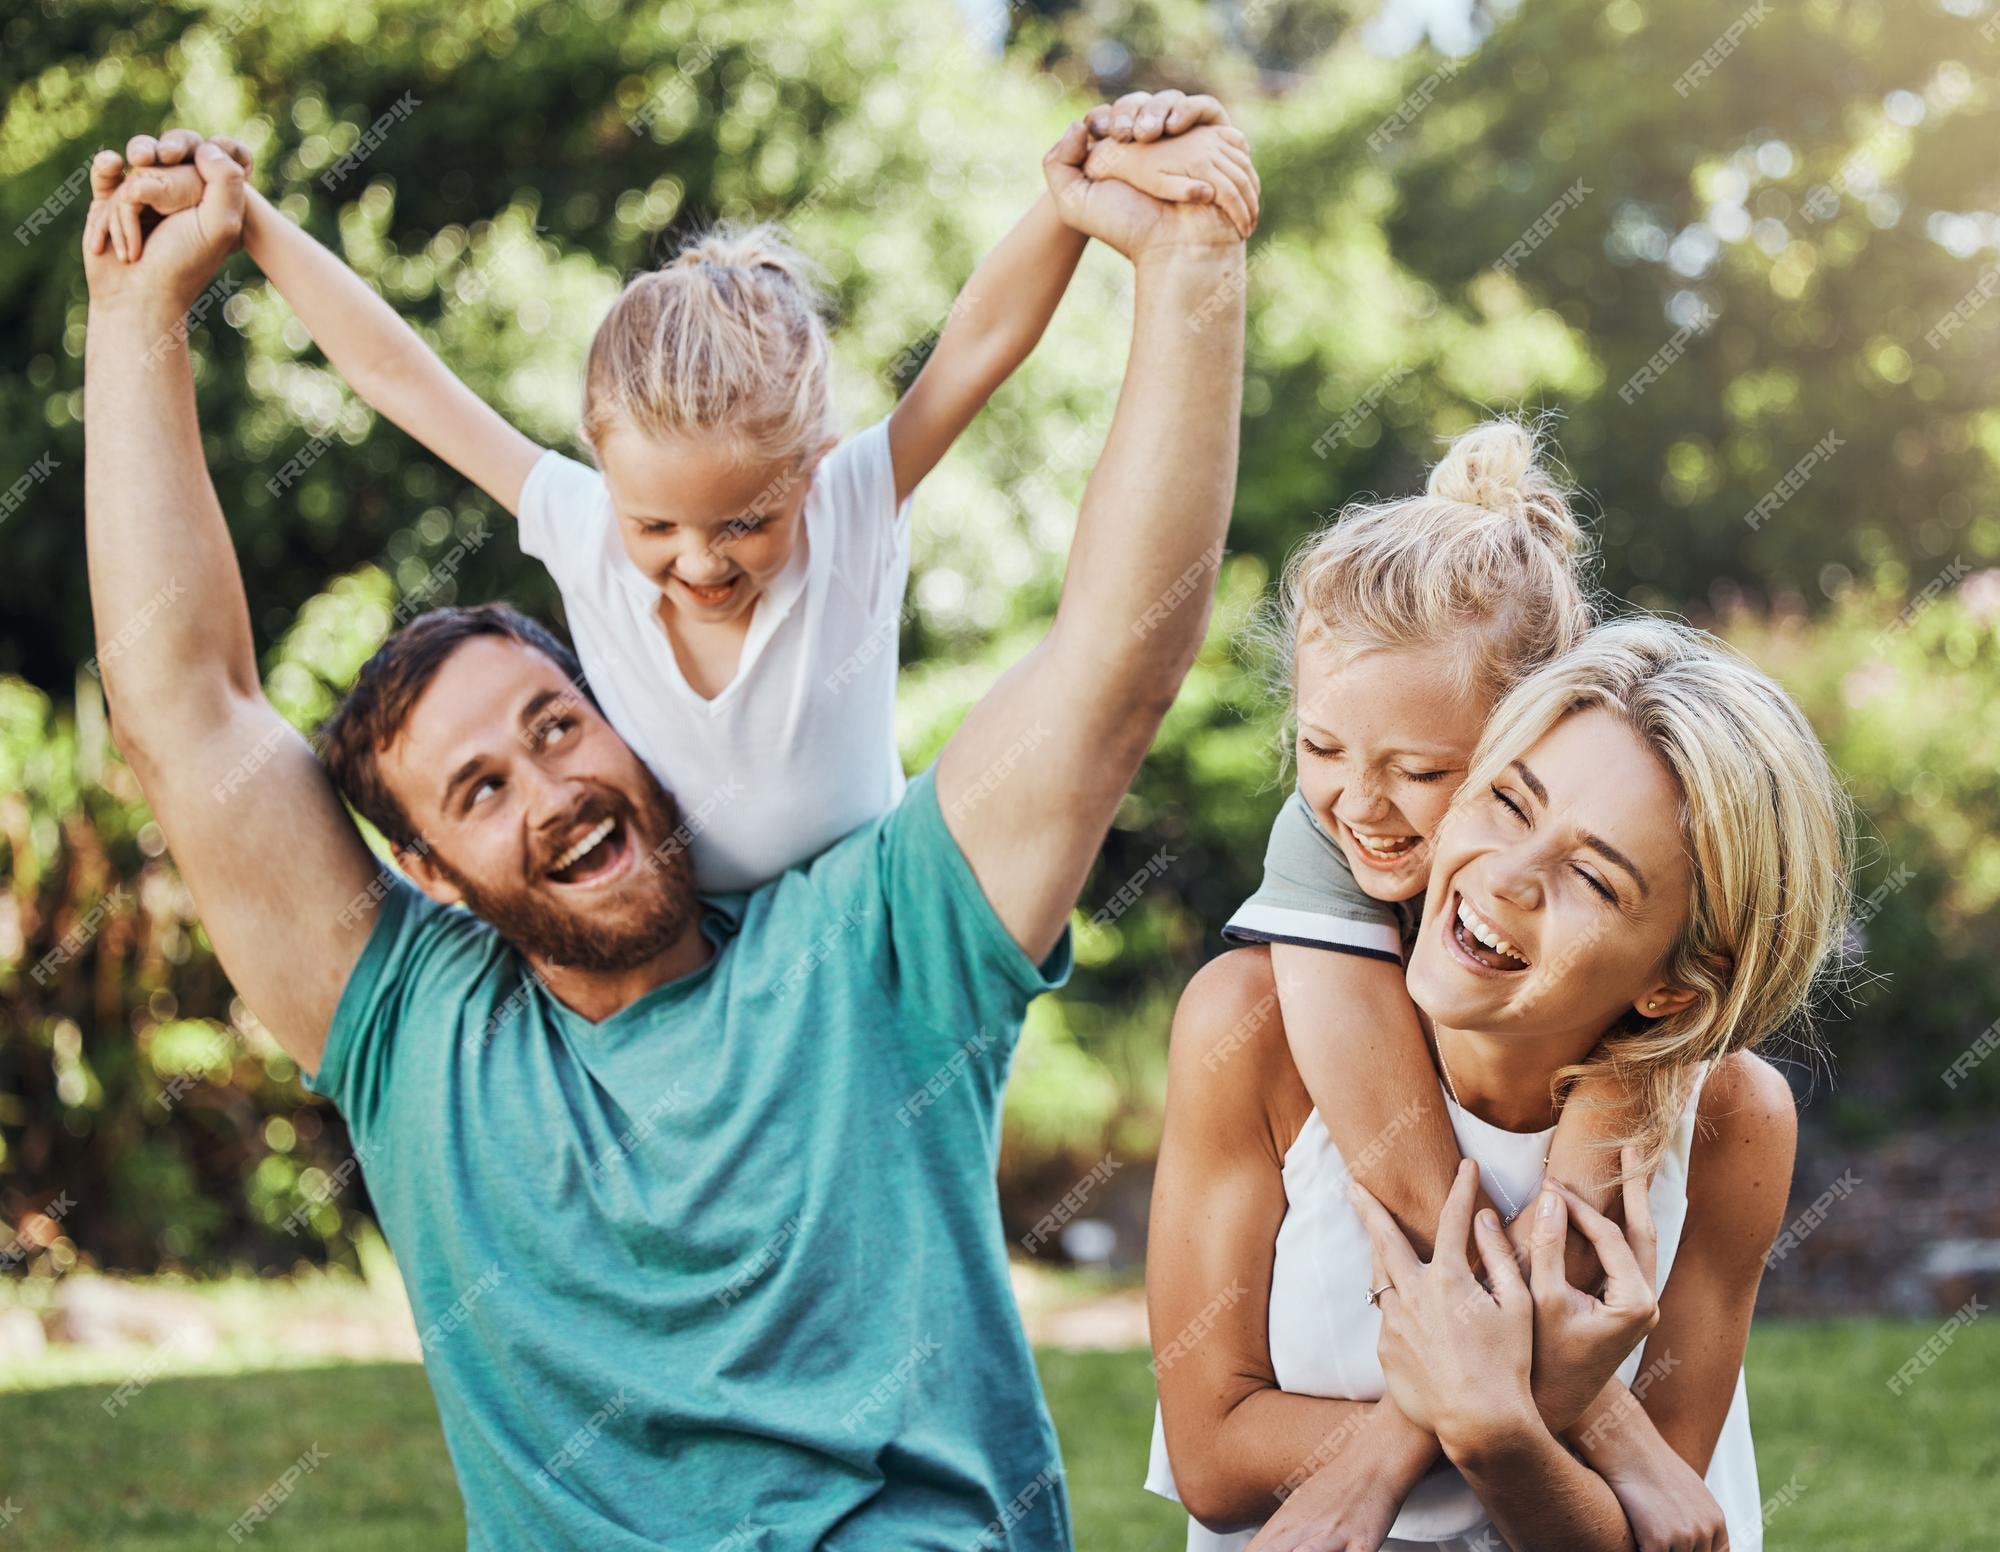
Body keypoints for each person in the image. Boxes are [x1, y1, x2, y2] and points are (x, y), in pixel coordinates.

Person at [81, 105, 1249, 1548]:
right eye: (481, 790)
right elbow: (182, 712)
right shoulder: (415, 1034)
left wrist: (1188, 261)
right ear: (425, 872)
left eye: (555, 725)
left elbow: (1112, 667)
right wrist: (139, 307)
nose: (550, 783)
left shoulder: (877, 946)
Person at [97, 97, 1256, 892]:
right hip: (684, 931)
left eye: (747, 521)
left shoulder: (852, 503)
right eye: (656, 524)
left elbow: (975, 343)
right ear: (606, 473)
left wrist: (1067, 195)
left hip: (869, 903)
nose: (700, 561)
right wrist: (252, 225)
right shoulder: (578, 525)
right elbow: (403, 376)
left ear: (812, 464)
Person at [1147, 616, 1851, 1549]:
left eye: (1595, 880)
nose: (1506, 879)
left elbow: (1661, 1533)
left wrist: (1489, 1431)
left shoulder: (1731, 1115)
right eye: (1511, 804)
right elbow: (1214, 1458)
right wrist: (1546, 1406)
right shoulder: (1252, 1028)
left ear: (1673, 983)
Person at [1221, 417, 1637, 1279]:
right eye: (1321, 747)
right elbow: (1409, 1175)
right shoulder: (1316, 834)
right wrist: (1494, 1310)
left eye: (1418, 770)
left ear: (1534, 735)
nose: (1360, 805)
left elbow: (1641, 1060)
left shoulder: (1623, 824)